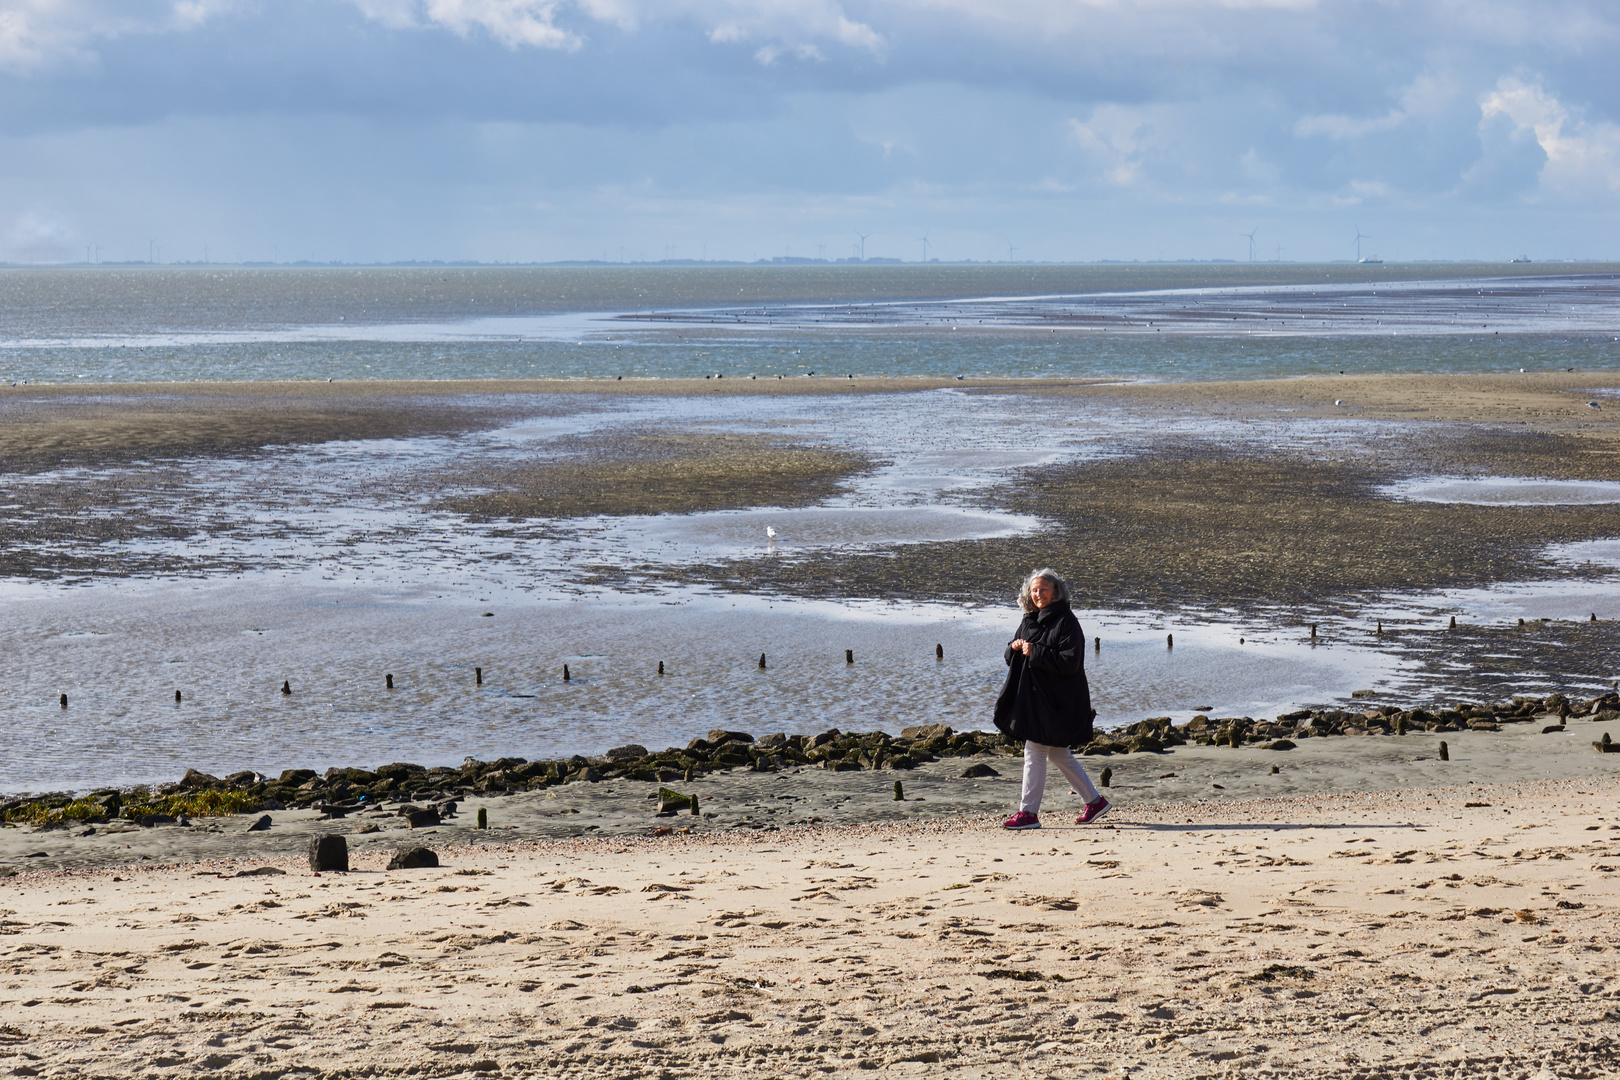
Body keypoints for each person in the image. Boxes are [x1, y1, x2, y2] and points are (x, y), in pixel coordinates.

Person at [993, 567, 1109, 830]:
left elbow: (1070, 662)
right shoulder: (1029, 620)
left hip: (1058, 702)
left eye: (1044, 589)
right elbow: (1013, 655)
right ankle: (1095, 802)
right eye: (1034, 590)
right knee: (1058, 754)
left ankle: (1028, 814)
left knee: (1033, 751)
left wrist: (1035, 651)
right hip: (1035, 700)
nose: (1038, 594)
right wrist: (1012, 648)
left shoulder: (1067, 621)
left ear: (1056, 592)